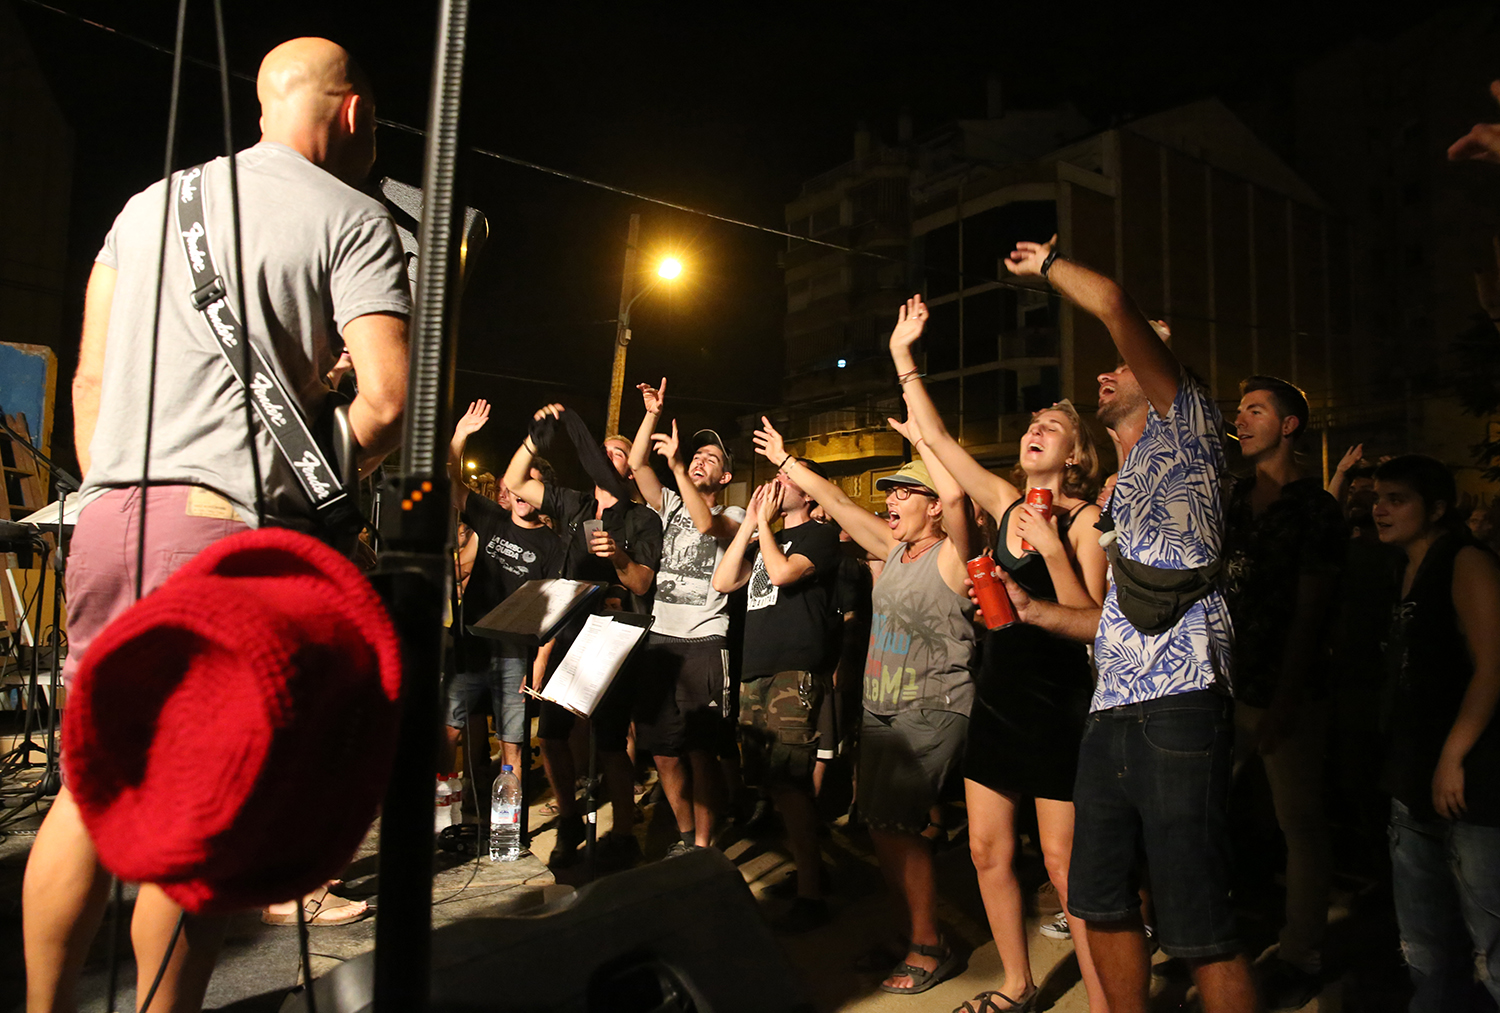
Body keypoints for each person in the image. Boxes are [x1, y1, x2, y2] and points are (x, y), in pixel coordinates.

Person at [23, 38, 410, 1013]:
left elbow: (90, 378)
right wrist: (321, 460)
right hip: (222, 523)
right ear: (355, 114)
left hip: (109, 513)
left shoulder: (145, 207)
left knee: (90, 774)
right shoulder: (354, 216)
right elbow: (394, 399)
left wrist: (117, 478)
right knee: (201, 797)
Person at [996, 236, 1255, 1013]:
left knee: (1198, 916)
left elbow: (1112, 302)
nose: (1104, 373)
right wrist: (1033, 608)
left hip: (1183, 700)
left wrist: (1045, 267)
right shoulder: (1117, 489)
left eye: (1120, 365)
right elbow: (1107, 616)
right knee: (1096, 894)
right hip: (1110, 708)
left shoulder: (1193, 427)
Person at [890, 295, 1110, 1012]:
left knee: (1063, 863)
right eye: (1032, 424)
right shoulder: (1007, 501)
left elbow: (1093, 621)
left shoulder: (1083, 520)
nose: (1035, 430)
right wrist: (904, 358)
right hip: (1000, 697)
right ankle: (1017, 985)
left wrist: (1051, 547)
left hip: (1057, 703)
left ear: (1076, 454)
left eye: (1053, 426)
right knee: (988, 851)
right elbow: (943, 443)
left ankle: (1110, 996)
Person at [752, 411, 978, 994]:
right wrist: (785, 461)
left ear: (933, 506)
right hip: (880, 711)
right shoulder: (894, 550)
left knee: (900, 828)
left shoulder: (952, 552)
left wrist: (924, 440)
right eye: (893, 491)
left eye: (908, 490)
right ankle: (912, 934)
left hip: (930, 709)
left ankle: (931, 945)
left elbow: (957, 492)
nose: (893, 500)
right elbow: (840, 502)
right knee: (879, 828)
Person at [1222, 376, 1345, 1009]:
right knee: (1218, 812)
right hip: (1230, 683)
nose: (1239, 419)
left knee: (1299, 824)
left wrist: (1287, 699)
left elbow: (1312, 610)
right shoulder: (1238, 498)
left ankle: (1301, 952)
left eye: (1254, 409)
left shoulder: (1313, 507)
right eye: (1238, 410)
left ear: (1289, 425)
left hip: (1285, 689)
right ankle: (1231, 936)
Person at [503, 404, 662, 871]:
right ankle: (570, 818)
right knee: (551, 734)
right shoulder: (573, 504)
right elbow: (515, 481)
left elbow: (642, 584)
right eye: (602, 450)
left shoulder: (641, 519)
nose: (607, 456)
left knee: (611, 742)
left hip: (614, 637)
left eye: (617, 452)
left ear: (626, 468)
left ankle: (623, 834)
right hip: (568, 633)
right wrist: (536, 439)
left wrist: (617, 558)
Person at [1372, 455, 1500, 1013]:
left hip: (1471, 781)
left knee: (1490, 939)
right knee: (1425, 944)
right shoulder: (1399, 568)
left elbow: (1492, 665)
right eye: (1378, 497)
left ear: (1438, 508)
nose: (1379, 508)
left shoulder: (1465, 560)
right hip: (1410, 776)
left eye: (1396, 499)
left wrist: (1454, 754)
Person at [712, 460, 842, 933]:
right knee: (771, 780)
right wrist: (750, 523)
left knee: (791, 779)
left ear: (808, 493)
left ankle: (812, 890)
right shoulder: (764, 534)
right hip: (755, 669)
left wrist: (763, 530)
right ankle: (812, 871)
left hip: (794, 668)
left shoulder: (818, 537)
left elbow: (785, 574)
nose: (776, 482)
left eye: (788, 478)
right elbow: (723, 582)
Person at [626, 379, 745, 855]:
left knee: (701, 750)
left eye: (710, 459)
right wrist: (652, 414)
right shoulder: (670, 503)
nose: (699, 460)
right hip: (660, 640)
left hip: (703, 642)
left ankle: (704, 844)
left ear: (724, 477)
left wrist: (676, 466)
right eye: (696, 455)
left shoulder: (736, 513)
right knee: (662, 749)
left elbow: (707, 525)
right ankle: (682, 834)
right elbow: (636, 464)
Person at [442, 400, 562, 817]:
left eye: (532, 486)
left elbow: (551, 613)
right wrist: (459, 437)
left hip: (514, 655)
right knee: (450, 731)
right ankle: (450, 814)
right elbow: (451, 482)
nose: (521, 494)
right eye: (518, 486)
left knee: (512, 740)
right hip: (472, 643)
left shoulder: (551, 546)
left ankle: (507, 821)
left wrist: (540, 665)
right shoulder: (491, 518)